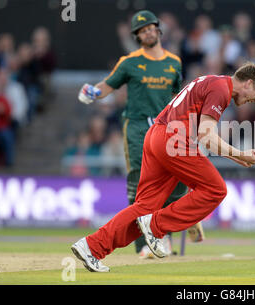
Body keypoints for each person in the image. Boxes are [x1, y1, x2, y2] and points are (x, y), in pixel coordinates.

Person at [71, 62, 255, 272]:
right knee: (216, 190)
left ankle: (91, 247)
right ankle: (156, 225)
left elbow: (201, 135)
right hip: (173, 140)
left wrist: (239, 158)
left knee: (144, 207)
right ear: (248, 83)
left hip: (156, 135)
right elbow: (206, 135)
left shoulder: (212, 81)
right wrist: (240, 154)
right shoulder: (221, 90)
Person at [77, 10, 203, 259]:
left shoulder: (174, 62)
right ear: (137, 36)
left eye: (150, 27)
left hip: (168, 129)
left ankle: (164, 233)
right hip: (136, 128)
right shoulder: (129, 62)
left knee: (174, 183)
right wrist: (92, 92)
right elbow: (108, 86)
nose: (147, 32)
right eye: (141, 30)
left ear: (158, 30)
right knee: (139, 185)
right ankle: (142, 245)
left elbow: (179, 98)